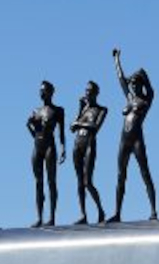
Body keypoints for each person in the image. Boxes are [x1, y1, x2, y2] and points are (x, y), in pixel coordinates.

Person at [108, 48, 158, 222]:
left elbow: (152, 90)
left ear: (141, 84)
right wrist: (116, 60)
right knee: (121, 176)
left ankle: (153, 211)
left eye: (137, 83)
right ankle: (117, 212)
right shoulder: (129, 98)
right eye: (133, 84)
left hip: (137, 140)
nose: (134, 86)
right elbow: (120, 78)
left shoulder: (146, 100)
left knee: (145, 173)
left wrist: (144, 75)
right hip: (124, 140)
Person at [26, 80, 66, 227]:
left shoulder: (58, 110)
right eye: (40, 90)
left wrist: (63, 149)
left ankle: (52, 217)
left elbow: (61, 133)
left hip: (50, 145)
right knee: (38, 183)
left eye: (44, 90)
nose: (42, 93)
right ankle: (39, 217)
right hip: (37, 146)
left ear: (51, 92)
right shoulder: (35, 111)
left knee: (51, 181)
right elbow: (35, 134)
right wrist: (29, 125)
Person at [69, 81, 107, 224]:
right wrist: (79, 109)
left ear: (96, 93)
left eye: (90, 91)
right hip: (77, 143)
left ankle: (100, 210)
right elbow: (72, 127)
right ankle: (83, 214)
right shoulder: (83, 109)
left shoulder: (102, 110)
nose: (87, 93)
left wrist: (79, 124)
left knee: (87, 182)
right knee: (79, 182)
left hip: (89, 144)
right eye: (86, 91)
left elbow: (95, 127)